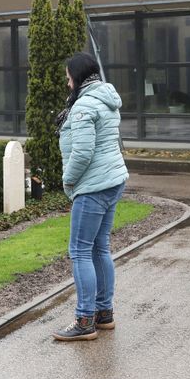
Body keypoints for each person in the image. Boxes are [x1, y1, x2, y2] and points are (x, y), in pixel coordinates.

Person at [52, 52, 129, 342]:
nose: (67, 81)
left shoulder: (84, 105)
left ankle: (85, 321)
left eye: (68, 75)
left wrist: (68, 180)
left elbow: (83, 152)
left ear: (78, 76)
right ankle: (103, 313)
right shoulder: (105, 98)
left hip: (94, 186)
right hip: (112, 181)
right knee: (100, 248)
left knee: (80, 251)